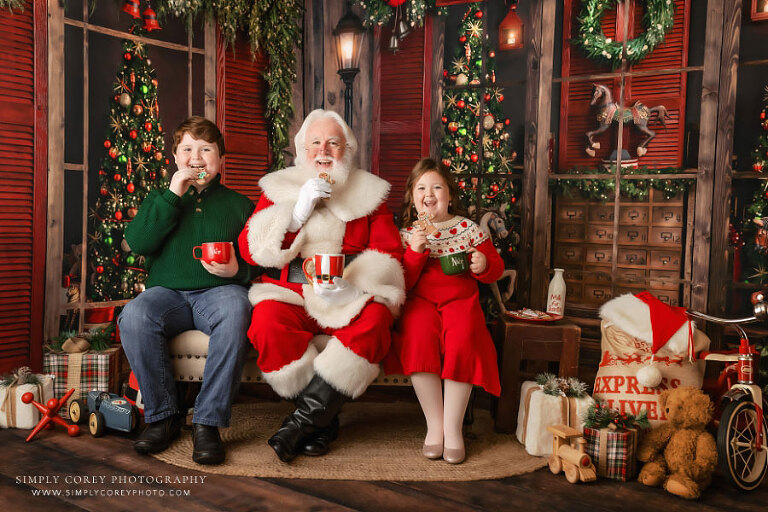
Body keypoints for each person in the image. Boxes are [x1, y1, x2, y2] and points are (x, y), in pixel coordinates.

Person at [237, 109, 405, 462]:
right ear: (302, 150)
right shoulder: (278, 187)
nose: (323, 150)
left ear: (348, 149)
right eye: (315, 143)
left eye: (333, 142)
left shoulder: (371, 194)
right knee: (266, 321)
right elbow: (248, 249)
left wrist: (351, 289)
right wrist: (296, 213)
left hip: (347, 293)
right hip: (289, 292)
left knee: (375, 321)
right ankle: (320, 422)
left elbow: (389, 255)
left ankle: (299, 424)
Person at [119, 116, 256, 465]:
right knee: (134, 314)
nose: (197, 157)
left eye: (206, 149)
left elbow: (263, 260)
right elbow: (137, 243)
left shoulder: (240, 205)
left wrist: (238, 269)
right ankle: (164, 417)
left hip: (219, 292)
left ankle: (207, 423)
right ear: (176, 157)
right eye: (188, 149)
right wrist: (172, 195)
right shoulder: (160, 199)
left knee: (238, 309)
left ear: (221, 159)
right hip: (167, 294)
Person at [384, 158, 503, 464]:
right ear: (413, 196)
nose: (429, 194)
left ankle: (453, 430)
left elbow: (495, 268)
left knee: (463, 338)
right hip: (421, 303)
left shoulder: (467, 229)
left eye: (437, 187)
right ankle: (434, 427)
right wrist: (415, 254)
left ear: (450, 195)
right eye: (421, 187)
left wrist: (484, 264)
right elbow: (403, 284)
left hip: (460, 301)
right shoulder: (408, 233)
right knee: (419, 337)